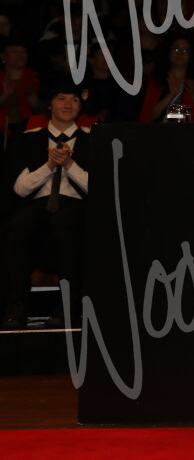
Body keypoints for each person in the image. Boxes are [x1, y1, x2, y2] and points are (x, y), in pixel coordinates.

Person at [2, 84, 90, 330]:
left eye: (74, 100)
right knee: (20, 223)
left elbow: (99, 188)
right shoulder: (29, 138)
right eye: (61, 98)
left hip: (76, 203)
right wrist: (50, 165)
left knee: (66, 222)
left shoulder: (92, 138)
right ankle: (16, 306)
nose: (68, 105)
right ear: (50, 104)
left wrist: (69, 164)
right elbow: (20, 189)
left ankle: (68, 306)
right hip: (39, 203)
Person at [138, 32, 194, 123]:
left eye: (186, 50)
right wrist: (170, 96)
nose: (180, 53)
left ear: (191, 56)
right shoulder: (155, 83)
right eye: (176, 49)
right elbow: (146, 117)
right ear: (168, 53)